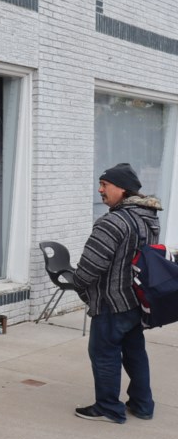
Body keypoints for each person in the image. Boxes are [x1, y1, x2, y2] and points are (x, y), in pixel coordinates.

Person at [72, 162, 162, 424]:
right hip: (136, 300)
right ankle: (143, 405)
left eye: (105, 185)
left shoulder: (112, 221)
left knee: (104, 354)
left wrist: (78, 284)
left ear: (122, 189)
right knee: (135, 353)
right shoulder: (148, 218)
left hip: (112, 302)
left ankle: (109, 408)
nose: (100, 190)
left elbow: (90, 266)